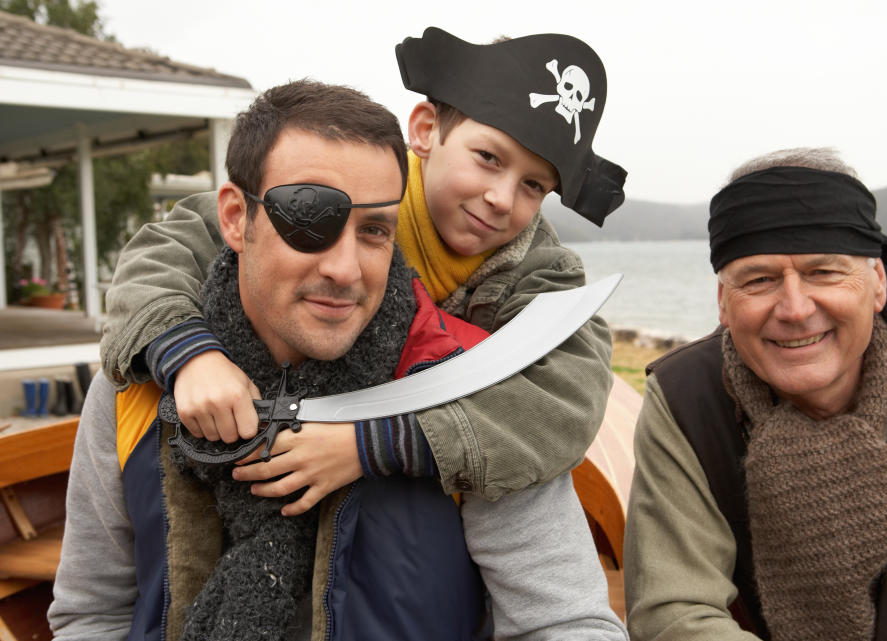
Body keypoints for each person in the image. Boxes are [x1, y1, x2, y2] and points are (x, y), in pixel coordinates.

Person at [48, 80, 626, 641]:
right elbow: (91, 615)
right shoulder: (136, 388)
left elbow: (564, 622)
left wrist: (378, 441)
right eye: (309, 219)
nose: (344, 270)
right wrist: (186, 354)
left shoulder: (475, 385)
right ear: (234, 220)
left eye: (375, 231)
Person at [98, 27, 627, 512]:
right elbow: (166, 249)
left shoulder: (545, 279)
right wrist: (191, 356)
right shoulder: (356, 185)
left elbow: (569, 400)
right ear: (424, 130)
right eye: (488, 157)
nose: (500, 197)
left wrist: (372, 442)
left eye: (534, 185)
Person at [623, 147, 887, 641]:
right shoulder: (685, 397)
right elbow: (675, 614)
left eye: (823, 272)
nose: (796, 309)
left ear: (877, 283)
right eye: (758, 280)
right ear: (722, 302)